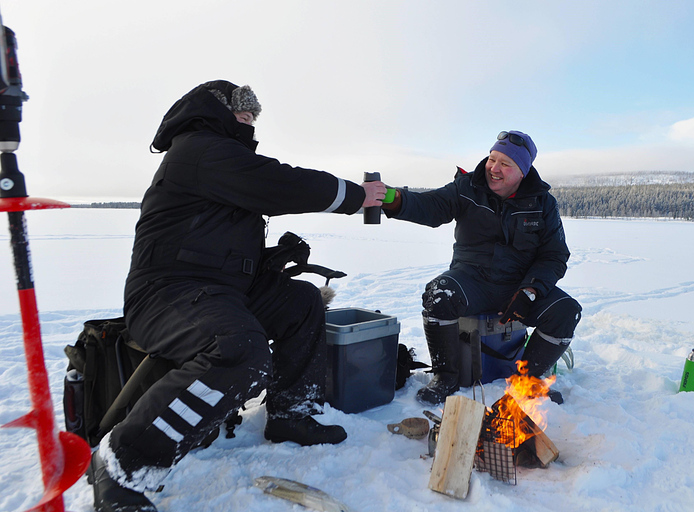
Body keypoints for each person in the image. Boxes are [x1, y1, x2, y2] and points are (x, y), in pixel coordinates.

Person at [88, 80, 388, 512]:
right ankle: (123, 460)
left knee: (302, 302)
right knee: (239, 350)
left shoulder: (221, 158)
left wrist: (266, 259)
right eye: (241, 115)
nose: (248, 123)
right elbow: (277, 183)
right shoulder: (198, 149)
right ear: (215, 111)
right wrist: (354, 196)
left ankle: (290, 414)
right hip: (166, 293)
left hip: (221, 288)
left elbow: (219, 237)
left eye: (252, 117)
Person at [382, 130, 581, 406]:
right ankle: (446, 378)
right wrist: (393, 198)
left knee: (566, 312)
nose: (494, 168)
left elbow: (555, 255)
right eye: (492, 158)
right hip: (471, 280)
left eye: (505, 164)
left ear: (522, 172)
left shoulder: (543, 204)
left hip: (519, 285)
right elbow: (430, 205)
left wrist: (531, 290)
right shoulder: (467, 188)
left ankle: (528, 380)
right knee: (440, 294)